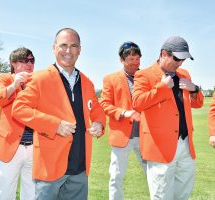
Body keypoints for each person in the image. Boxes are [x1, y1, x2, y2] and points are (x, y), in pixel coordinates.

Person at [12, 28, 106, 200]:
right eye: (63, 45)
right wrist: (54, 125)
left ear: (80, 50)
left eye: (73, 46)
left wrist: (99, 123)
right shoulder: (40, 78)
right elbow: (19, 109)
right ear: (54, 47)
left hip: (80, 167)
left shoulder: (87, 82)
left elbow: (97, 109)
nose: (68, 51)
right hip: (50, 166)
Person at [132, 36, 204, 200]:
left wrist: (194, 89)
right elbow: (137, 103)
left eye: (183, 59)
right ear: (164, 53)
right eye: (177, 58)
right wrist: (162, 87)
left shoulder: (184, 74)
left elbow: (198, 104)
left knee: (183, 192)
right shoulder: (144, 75)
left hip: (185, 144)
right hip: (160, 146)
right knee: (161, 194)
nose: (180, 63)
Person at [100, 41, 147, 200]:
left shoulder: (148, 77)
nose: (135, 63)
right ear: (121, 60)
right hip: (121, 137)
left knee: (154, 175)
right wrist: (124, 113)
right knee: (116, 177)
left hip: (146, 136)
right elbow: (105, 105)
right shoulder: (110, 79)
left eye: (138, 60)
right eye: (131, 60)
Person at [0, 47, 35, 200]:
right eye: (24, 60)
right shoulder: (5, 78)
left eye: (32, 60)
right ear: (13, 64)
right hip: (9, 145)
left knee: (32, 193)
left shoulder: (36, 82)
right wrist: (15, 84)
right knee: (4, 192)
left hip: (34, 147)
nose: (29, 64)